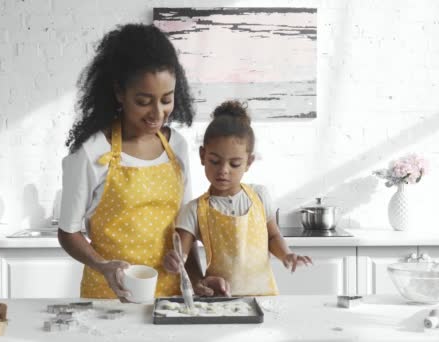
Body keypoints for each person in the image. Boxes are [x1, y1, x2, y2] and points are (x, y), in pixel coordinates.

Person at [58, 23, 195, 301]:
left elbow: (186, 221)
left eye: (166, 100)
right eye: (144, 101)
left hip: (170, 295)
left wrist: (183, 257)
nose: (157, 114)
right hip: (108, 293)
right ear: (120, 93)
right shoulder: (91, 151)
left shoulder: (177, 145)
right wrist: (102, 266)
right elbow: (68, 232)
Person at [163, 100, 313, 296]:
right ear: (202, 155)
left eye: (234, 164)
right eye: (214, 161)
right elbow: (181, 252)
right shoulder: (194, 210)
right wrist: (175, 261)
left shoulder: (260, 196)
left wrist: (287, 255)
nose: (223, 171)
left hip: (264, 298)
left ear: (249, 162)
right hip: (220, 301)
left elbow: (273, 236)